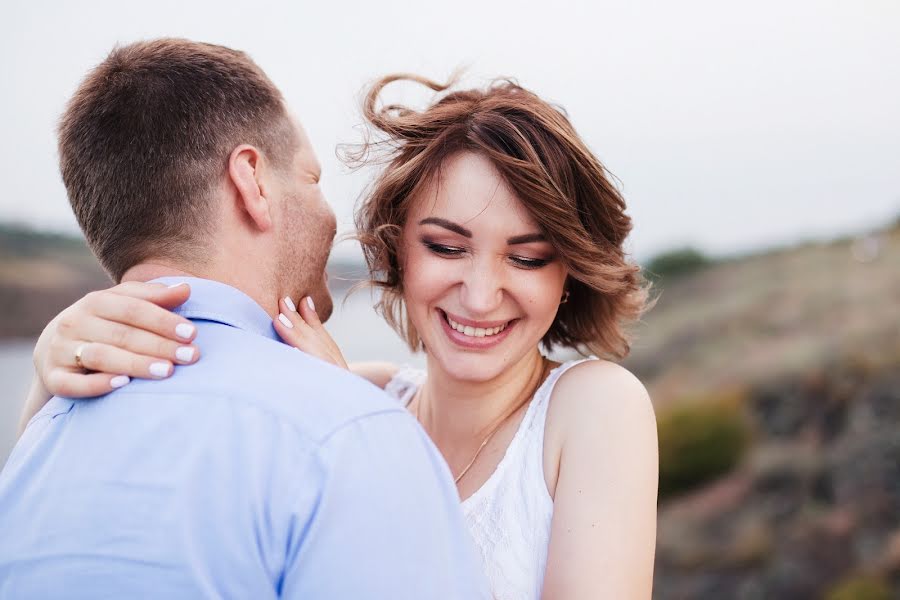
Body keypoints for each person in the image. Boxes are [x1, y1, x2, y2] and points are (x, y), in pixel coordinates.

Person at [23, 74, 660, 598]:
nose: (481, 293)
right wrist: (54, 365)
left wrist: (353, 421)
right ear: (397, 249)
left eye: (527, 258)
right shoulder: (354, 398)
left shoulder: (594, 407)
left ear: (569, 273)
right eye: (445, 246)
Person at [0, 40, 488, 599]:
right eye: (312, 179)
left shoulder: (35, 448)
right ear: (252, 180)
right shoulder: (352, 435)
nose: (330, 215)